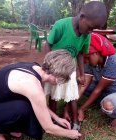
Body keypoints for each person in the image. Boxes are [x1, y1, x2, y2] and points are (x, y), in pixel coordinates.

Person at [0, 50, 81, 140]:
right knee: (22, 108)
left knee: (26, 104)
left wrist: (57, 118)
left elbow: (39, 103)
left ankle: (7, 126)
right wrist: (70, 133)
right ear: (59, 76)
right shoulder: (32, 86)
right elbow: (48, 128)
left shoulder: (34, 68)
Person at [44, 1, 107, 131]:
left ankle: (75, 121)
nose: (90, 31)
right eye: (90, 27)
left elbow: (80, 54)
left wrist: (82, 74)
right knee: (54, 94)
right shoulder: (61, 25)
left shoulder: (86, 35)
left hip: (70, 68)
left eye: (93, 29)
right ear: (82, 17)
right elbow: (48, 44)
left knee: (72, 94)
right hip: (55, 66)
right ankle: (53, 119)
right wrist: (48, 64)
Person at [78, 32, 116, 130]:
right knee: (80, 83)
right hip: (107, 91)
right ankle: (105, 102)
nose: (85, 61)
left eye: (87, 58)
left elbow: (98, 90)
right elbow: (84, 85)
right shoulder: (91, 62)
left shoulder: (113, 62)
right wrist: (71, 106)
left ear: (96, 52)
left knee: (107, 104)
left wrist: (81, 109)